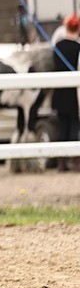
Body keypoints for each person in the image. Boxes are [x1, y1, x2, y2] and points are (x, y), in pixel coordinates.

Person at [51, 14, 80, 172]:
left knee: (62, 127)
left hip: (60, 92)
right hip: (74, 95)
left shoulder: (57, 47)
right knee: (75, 126)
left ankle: (61, 162)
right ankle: (76, 161)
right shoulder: (77, 48)